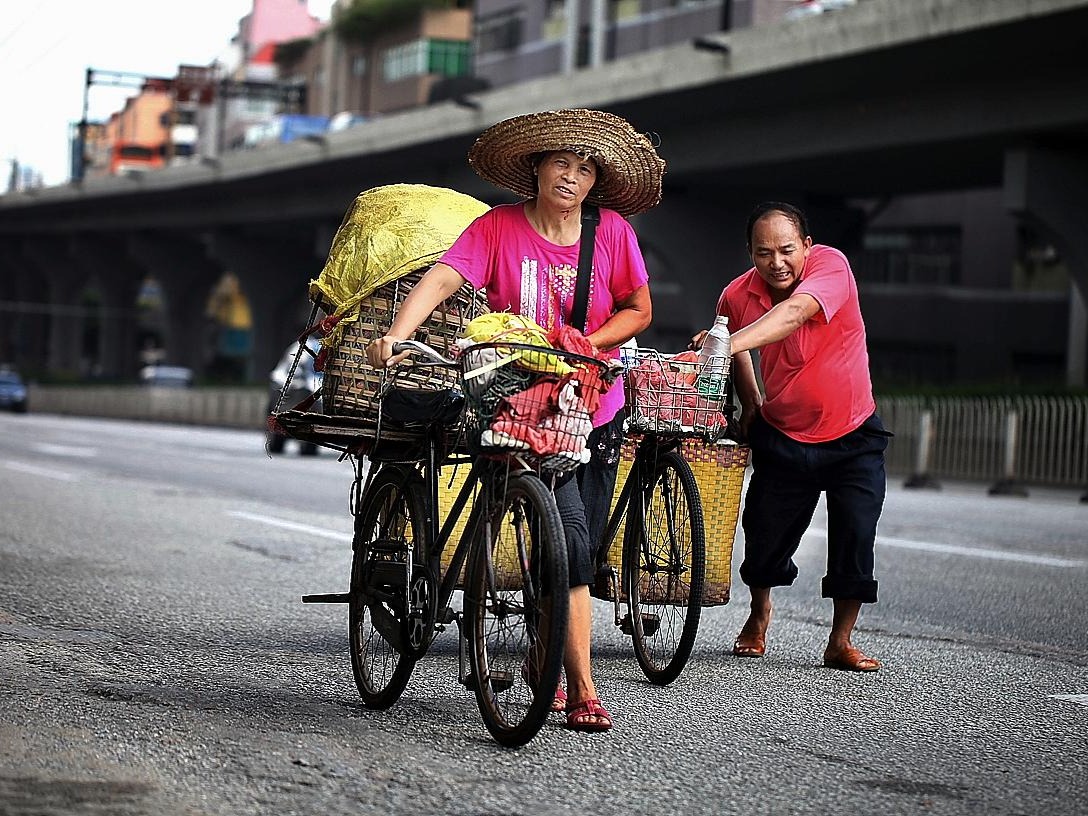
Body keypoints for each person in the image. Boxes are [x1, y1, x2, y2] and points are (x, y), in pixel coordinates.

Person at [367, 109, 666, 729]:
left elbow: (638, 310)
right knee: (561, 532)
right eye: (561, 162)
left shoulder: (610, 232)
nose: (571, 177)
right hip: (507, 397)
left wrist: (585, 343)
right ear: (537, 168)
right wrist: (397, 334)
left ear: (595, 182)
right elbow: (444, 279)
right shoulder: (497, 226)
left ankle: (558, 669)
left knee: (575, 546)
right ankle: (571, 680)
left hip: (590, 404)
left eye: (585, 169)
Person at [692, 201, 891, 672]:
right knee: (765, 535)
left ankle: (840, 640)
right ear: (750, 253)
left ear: (806, 245)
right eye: (764, 253)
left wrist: (725, 343)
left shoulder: (831, 265)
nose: (776, 262)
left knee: (856, 532)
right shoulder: (736, 295)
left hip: (853, 432)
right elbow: (737, 350)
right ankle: (759, 612)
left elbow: (796, 312)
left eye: (786, 250)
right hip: (784, 434)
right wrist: (751, 403)